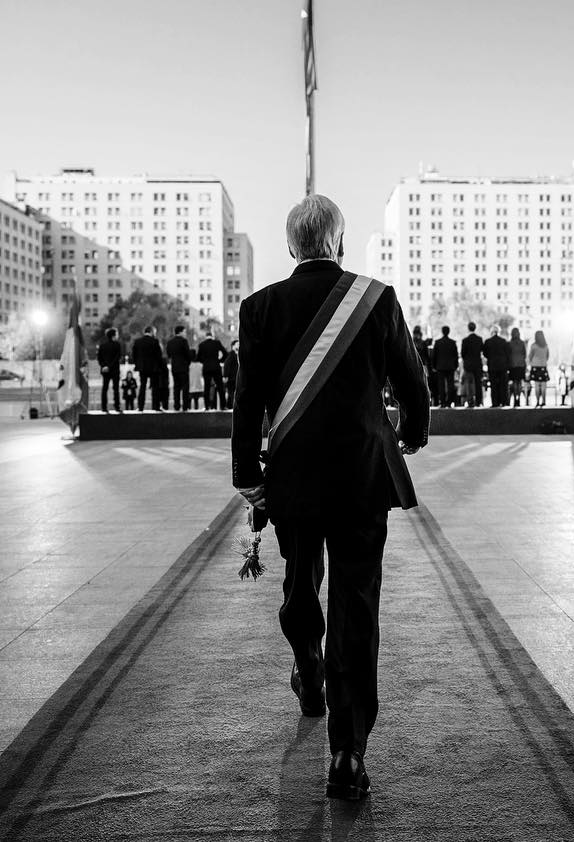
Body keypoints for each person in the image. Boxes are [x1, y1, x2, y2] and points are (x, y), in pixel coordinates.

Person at [231, 194, 430, 801]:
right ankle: (346, 753)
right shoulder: (375, 299)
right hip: (362, 477)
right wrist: (412, 435)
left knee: (299, 580)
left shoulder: (260, 307)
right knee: (356, 605)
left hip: (292, 476)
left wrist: (247, 473)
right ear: (338, 242)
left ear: (293, 245)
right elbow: (412, 381)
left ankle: (309, 672)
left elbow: (248, 399)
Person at [131, 326, 167, 411]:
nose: (155, 334)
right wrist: (160, 367)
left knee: (142, 387)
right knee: (155, 388)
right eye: (155, 332)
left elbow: (134, 355)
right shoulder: (155, 341)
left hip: (142, 368)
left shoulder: (138, 342)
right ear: (152, 331)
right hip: (153, 368)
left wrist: (138, 364)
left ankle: (140, 407)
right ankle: (156, 406)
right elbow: (159, 356)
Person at [197, 325, 226, 410]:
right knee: (220, 387)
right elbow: (225, 353)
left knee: (207, 387)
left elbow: (198, 357)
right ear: (212, 336)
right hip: (216, 367)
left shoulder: (201, 345)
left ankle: (207, 406)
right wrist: (220, 360)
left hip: (206, 368)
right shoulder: (217, 343)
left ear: (206, 336)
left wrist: (204, 362)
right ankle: (223, 406)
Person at [430, 325, 459, 408]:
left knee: (441, 385)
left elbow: (434, 356)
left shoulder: (438, 342)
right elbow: (455, 355)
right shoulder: (452, 342)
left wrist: (434, 366)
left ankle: (442, 402)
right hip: (450, 367)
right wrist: (456, 365)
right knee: (450, 385)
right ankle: (449, 402)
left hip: (440, 367)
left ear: (442, 332)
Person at [97, 326, 124, 413]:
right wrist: (110, 366)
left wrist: (104, 366)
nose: (118, 336)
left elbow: (99, 358)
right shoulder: (117, 345)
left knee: (104, 388)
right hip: (114, 370)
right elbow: (117, 357)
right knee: (116, 389)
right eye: (117, 334)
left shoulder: (102, 345)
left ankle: (104, 407)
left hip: (105, 370)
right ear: (113, 336)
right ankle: (117, 407)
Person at [166, 325, 192, 411]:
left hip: (175, 367)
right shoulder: (184, 341)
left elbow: (169, 354)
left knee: (176, 387)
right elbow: (188, 354)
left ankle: (176, 406)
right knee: (185, 387)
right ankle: (185, 406)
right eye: (184, 332)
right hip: (183, 367)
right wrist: (187, 363)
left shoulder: (170, 342)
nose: (185, 333)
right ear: (180, 332)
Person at [460, 322, 485, 408]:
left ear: (468, 328)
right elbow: (482, 350)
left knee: (469, 383)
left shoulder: (465, 340)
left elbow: (463, 354)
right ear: (475, 328)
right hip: (477, 364)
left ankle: (470, 401)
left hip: (468, 365)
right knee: (478, 383)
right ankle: (479, 401)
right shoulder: (479, 339)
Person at [526, 330, 550, 407]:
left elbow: (530, 356)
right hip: (543, 366)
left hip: (535, 366)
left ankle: (537, 401)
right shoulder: (546, 345)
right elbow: (547, 356)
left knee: (536, 385)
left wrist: (530, 362)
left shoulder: (533, 346)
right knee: (543, 385)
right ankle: (544, 401)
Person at [506, 327, 527, 406]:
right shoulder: (522, 343)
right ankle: (518, 398)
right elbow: (524, 354)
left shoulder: (509, 343)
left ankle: (515, 398)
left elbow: (508, 355)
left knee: (514, 382)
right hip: (521, 364)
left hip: (512, 365)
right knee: (519, 382)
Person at [222, 339, 240, 409]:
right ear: (233, 346)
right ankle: (233, 407)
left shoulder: (238, 354)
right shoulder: (231, 355)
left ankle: (229, 406)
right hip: (232, 378)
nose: (239, 345)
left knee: (232, 393)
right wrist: (225, 376)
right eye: (237, 344)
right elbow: (227, 365)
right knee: (232, 393)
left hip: (236, 377)